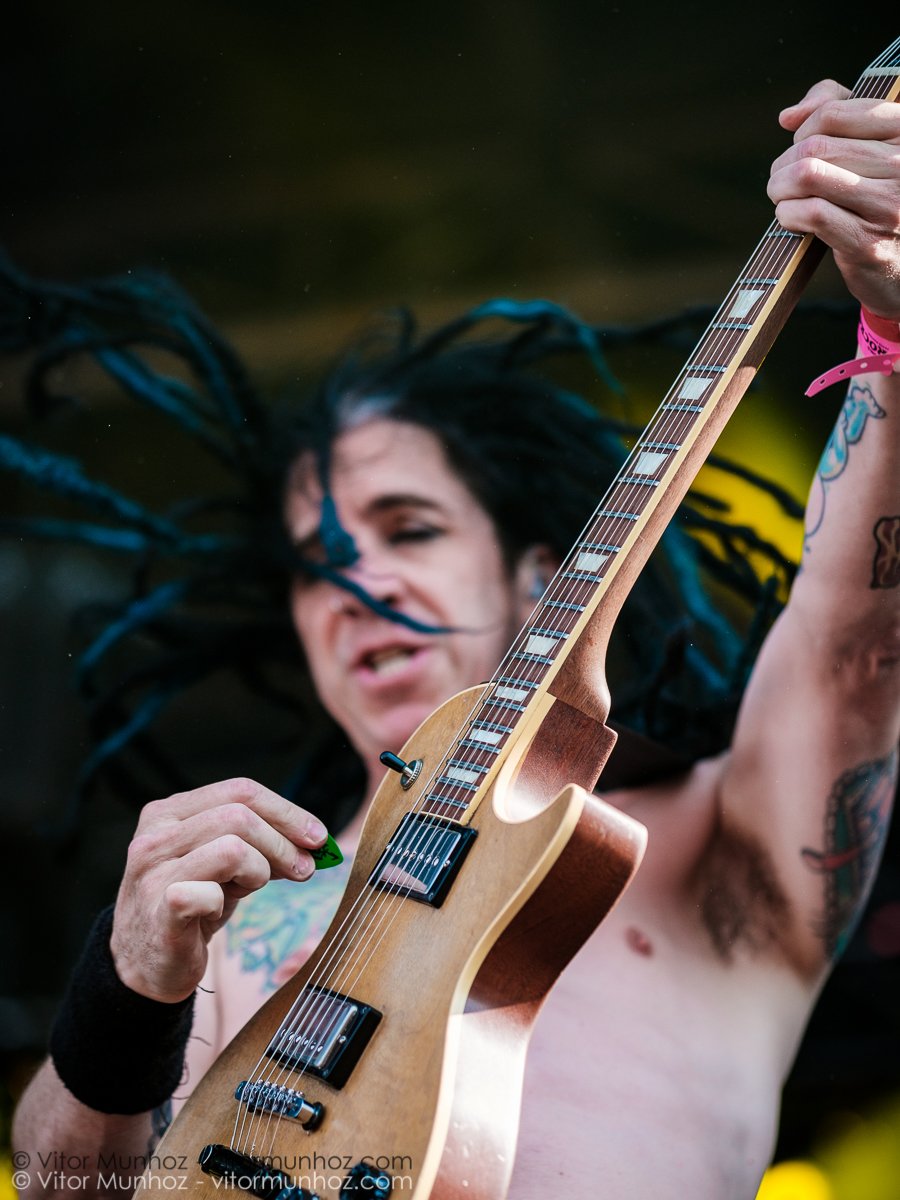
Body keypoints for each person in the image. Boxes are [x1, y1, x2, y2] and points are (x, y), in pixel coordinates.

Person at [10, 76, 900, 1199]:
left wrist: (897, 333)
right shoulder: (240, 924)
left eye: (408, 527)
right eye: (315, 562)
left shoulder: (706, 847)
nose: (354, 582)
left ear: (544, 580)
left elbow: (857, 636)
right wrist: (124, 990)